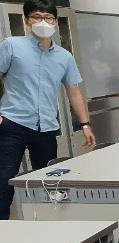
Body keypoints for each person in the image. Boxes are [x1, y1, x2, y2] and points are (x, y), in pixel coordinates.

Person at [0, 0, 96, 219]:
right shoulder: (11, 46)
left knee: (47, 182)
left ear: (55, 22)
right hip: (13, 124)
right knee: (3, 183)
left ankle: (47, 224)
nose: (43, 21)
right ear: (27, 20)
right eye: (37, 16)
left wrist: (85, 124)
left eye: (48, 17)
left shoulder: (64, 56)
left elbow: (73, 91)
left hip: (46, 128)